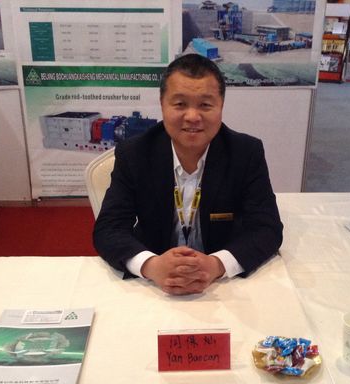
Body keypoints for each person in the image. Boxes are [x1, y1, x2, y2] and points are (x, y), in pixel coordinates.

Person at [93, 53, 283, 296]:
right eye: (180, 104)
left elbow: (267, 228)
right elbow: (109, 228)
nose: (192, 117)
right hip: (153, 287)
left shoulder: (245, 153)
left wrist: (217, 264)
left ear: (221, 106)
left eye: (205, 105)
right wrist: (151, 266)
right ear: (162, 105)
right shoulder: (135, 153)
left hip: (222, 287)